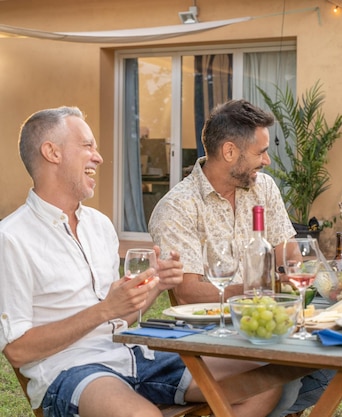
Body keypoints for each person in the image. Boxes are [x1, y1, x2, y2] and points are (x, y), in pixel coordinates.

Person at [0, 106, 283, 417]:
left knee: (263, 382)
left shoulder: (99, 226)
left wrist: (156, 284)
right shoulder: (11, 238)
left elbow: (119, 320)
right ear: (52, 152)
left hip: (132, 355)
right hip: (72, 369)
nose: (98, 157)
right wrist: (105, 309)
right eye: (87, 146)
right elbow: (17, 350)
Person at [149, 99, 342, 417]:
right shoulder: (177, 207)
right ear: (230, 152)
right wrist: (253, 290)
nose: (268, 161)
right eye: (260, 152)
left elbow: (289, 253)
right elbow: (188, 291)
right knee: (277, 387)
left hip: (271, 326)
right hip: (213, 335)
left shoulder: (263, 188)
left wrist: (302, 278)